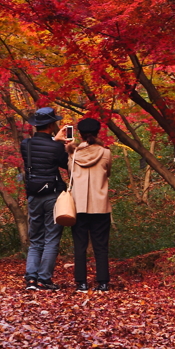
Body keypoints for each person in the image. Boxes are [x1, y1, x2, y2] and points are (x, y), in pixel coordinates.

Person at [20, 107, 70, 291]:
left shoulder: (25, 144)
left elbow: (40, 149)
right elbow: (66, 164)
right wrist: (63, 144)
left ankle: (31, 279)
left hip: (33, 194)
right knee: (51, 237)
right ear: (51, 125)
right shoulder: (56, 146)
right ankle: (44, 279)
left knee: (36, 239)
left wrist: (54, 140)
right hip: (52, 195)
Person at [65, 118, 112, 292]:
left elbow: (70, 172)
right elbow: (108, 173)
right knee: (101, 245)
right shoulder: (105, 153)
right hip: (100, 205)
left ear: (80, 134)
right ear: (98, 132)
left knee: (80, 245)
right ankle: (103, 282)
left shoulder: (73, 154)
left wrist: (68, 145)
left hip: (79, 206)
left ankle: (81, 283)